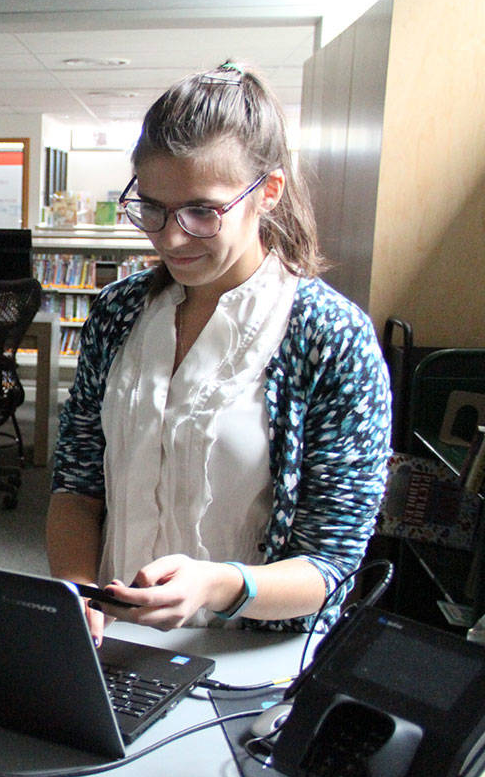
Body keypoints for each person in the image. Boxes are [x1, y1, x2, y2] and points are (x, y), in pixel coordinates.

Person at [46, 62, 391, 640]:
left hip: (250, 658)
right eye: (152, 207)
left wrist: (219, 585)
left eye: (202, 211)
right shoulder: (118, 313)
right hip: (111, 641)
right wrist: (78, 595)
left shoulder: (330, 337)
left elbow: (331, 562)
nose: (170, 236)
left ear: (268, 192)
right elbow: (77, 487)